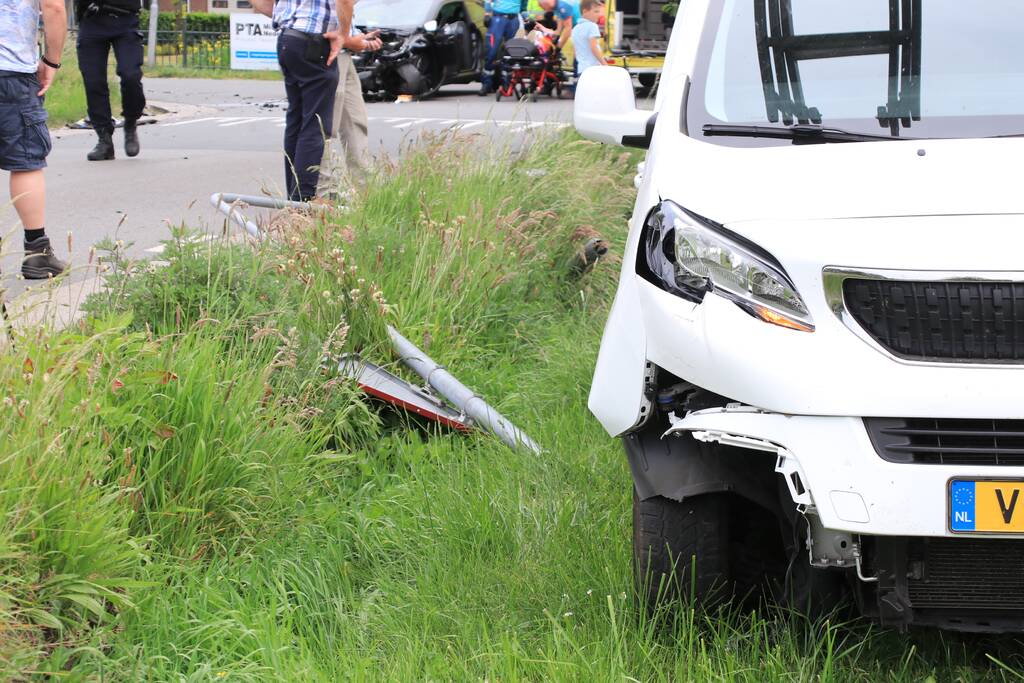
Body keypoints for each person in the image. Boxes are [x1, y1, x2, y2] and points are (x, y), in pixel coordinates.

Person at [252, 0, 376, 202]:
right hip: (318, 44)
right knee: (316, 125)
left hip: (290, 39)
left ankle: (298, 199)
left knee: (299, 121)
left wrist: (293, 18)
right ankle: (309, 200)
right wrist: (344, 37)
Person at [0, 0, 70, 279]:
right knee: (25, 161)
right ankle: (37, 253)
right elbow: (53, 7)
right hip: (11, 73)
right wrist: (52, 60)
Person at [75, 0, 146, 161]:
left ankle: (131, 120)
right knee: (93, 81)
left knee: (130, 75)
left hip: (125, 19)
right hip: (92, 18)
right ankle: (104, 139)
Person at [317, 19, 380, 198]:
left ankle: (368, 192)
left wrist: (353, 39)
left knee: (355, 122)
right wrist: (349, 40)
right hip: (329, 51)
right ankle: (324, 195)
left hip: (343, 52)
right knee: (326, 128)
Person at [479, 0, 524, 95]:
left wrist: (526, 17)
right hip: (498, 19)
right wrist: (487, 13)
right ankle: (486, 84)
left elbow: (524, 5)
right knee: (491, 51)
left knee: (510, 53)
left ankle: (507, 83)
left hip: (513, 20)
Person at [572, 0, 608, 75]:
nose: (599, 15)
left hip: (581, 69)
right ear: (585, 11)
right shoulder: (592, 26)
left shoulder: (575, 28)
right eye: (596, 11)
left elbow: (575, 52)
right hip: (593, 69)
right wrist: (605, 64)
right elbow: (594, 47)